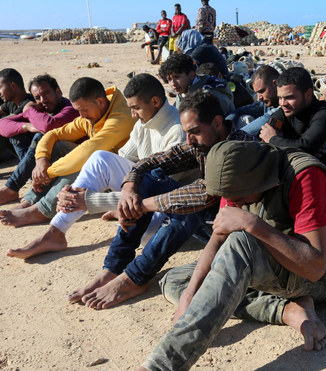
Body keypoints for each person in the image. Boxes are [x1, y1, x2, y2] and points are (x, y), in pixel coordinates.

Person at [137, 140, 326, 370]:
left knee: (240, 242)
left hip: (323, 274)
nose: (237, 203)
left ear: (257, 180)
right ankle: (285, 310)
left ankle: (162, 366)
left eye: (241, 199)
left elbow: (316, 267)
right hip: (268, 261)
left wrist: (252, 224)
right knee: (175, 281)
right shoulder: (242, 177)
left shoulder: (305, 176)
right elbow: (218, 236)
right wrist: (188, 298)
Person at [64, 89, 256, 309]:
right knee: (148, 178)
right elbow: (149, 162)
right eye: (186, 132)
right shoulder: (204, 141)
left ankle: (135, 278)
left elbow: (204, 194)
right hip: (213, 220)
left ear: (218, 122)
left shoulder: (238, 149)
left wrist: (142, 206)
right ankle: (114, 267)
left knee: (190, 208)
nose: (189, 140)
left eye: (194, 131)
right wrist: (129, 189)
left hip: (241, 234)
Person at [14, 74, 185, 260]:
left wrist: (91, 200)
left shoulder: (177, 132)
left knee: (94, 166)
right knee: (99, 158)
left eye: (136, 108)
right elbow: (116, 164)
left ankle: (56, 211)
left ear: (155, 101)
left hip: (167, 219)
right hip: (142, 199)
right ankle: (55, 232)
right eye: (131, 109)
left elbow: (163, 196)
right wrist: (76, 192)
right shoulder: (143, 122)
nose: (133, 115)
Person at [3, 77, 134, 254]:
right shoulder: (94, 112)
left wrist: (48, 172)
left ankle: (41, 210)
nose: (81, 116)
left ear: (100, 101)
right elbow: (53, 134)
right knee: (55, 145)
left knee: (85, 160)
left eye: (83, 110)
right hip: (104, 171)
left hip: (124, 181)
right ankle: (30, 200)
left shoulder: (119, 118)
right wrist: (41, 159)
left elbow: (89, 150)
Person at [260, 66, 326, 168]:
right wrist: (303, 149)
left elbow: (304, 146)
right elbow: (265, 143)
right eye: (280, 98)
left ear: (308, 94)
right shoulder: (284, 112)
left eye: (289, 97)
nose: (283, 103)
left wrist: (274, 139)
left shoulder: (325, 114)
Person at [0, 74, 78, 206]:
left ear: (58, 92)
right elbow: (3, 125)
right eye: (37, 98)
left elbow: (48, 126)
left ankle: (12, 187)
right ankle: (32, 179)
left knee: (42, 136)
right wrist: (27, 126)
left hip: (74, 161)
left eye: (46, 94)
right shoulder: (42, 109)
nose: (42, 100)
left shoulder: (70, 109)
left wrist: (29, 111)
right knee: (17, 133)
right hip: (48, 164)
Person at [158, 52, 234, 115]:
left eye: (176, 77)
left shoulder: (209, 94)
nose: (173, 83)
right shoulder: (182, 91)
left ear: (191, 75)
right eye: (169, 79)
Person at [227, 65, 281, 135]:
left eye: (262, 91)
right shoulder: (268, 102)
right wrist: (227, 124)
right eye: (257, 93)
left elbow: (266, 118)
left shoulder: (285, 106)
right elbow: (241, 110)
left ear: (275, 84)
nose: (259, 98)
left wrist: (233, 137)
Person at [0, 68, 34, 160]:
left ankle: (27, 168)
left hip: (31, 151)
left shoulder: (28, 104)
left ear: (13, 85)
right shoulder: (10, 102)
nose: (0, 92)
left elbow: (6, 121)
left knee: (12, 132)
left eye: (0, 87)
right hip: (13, 149)